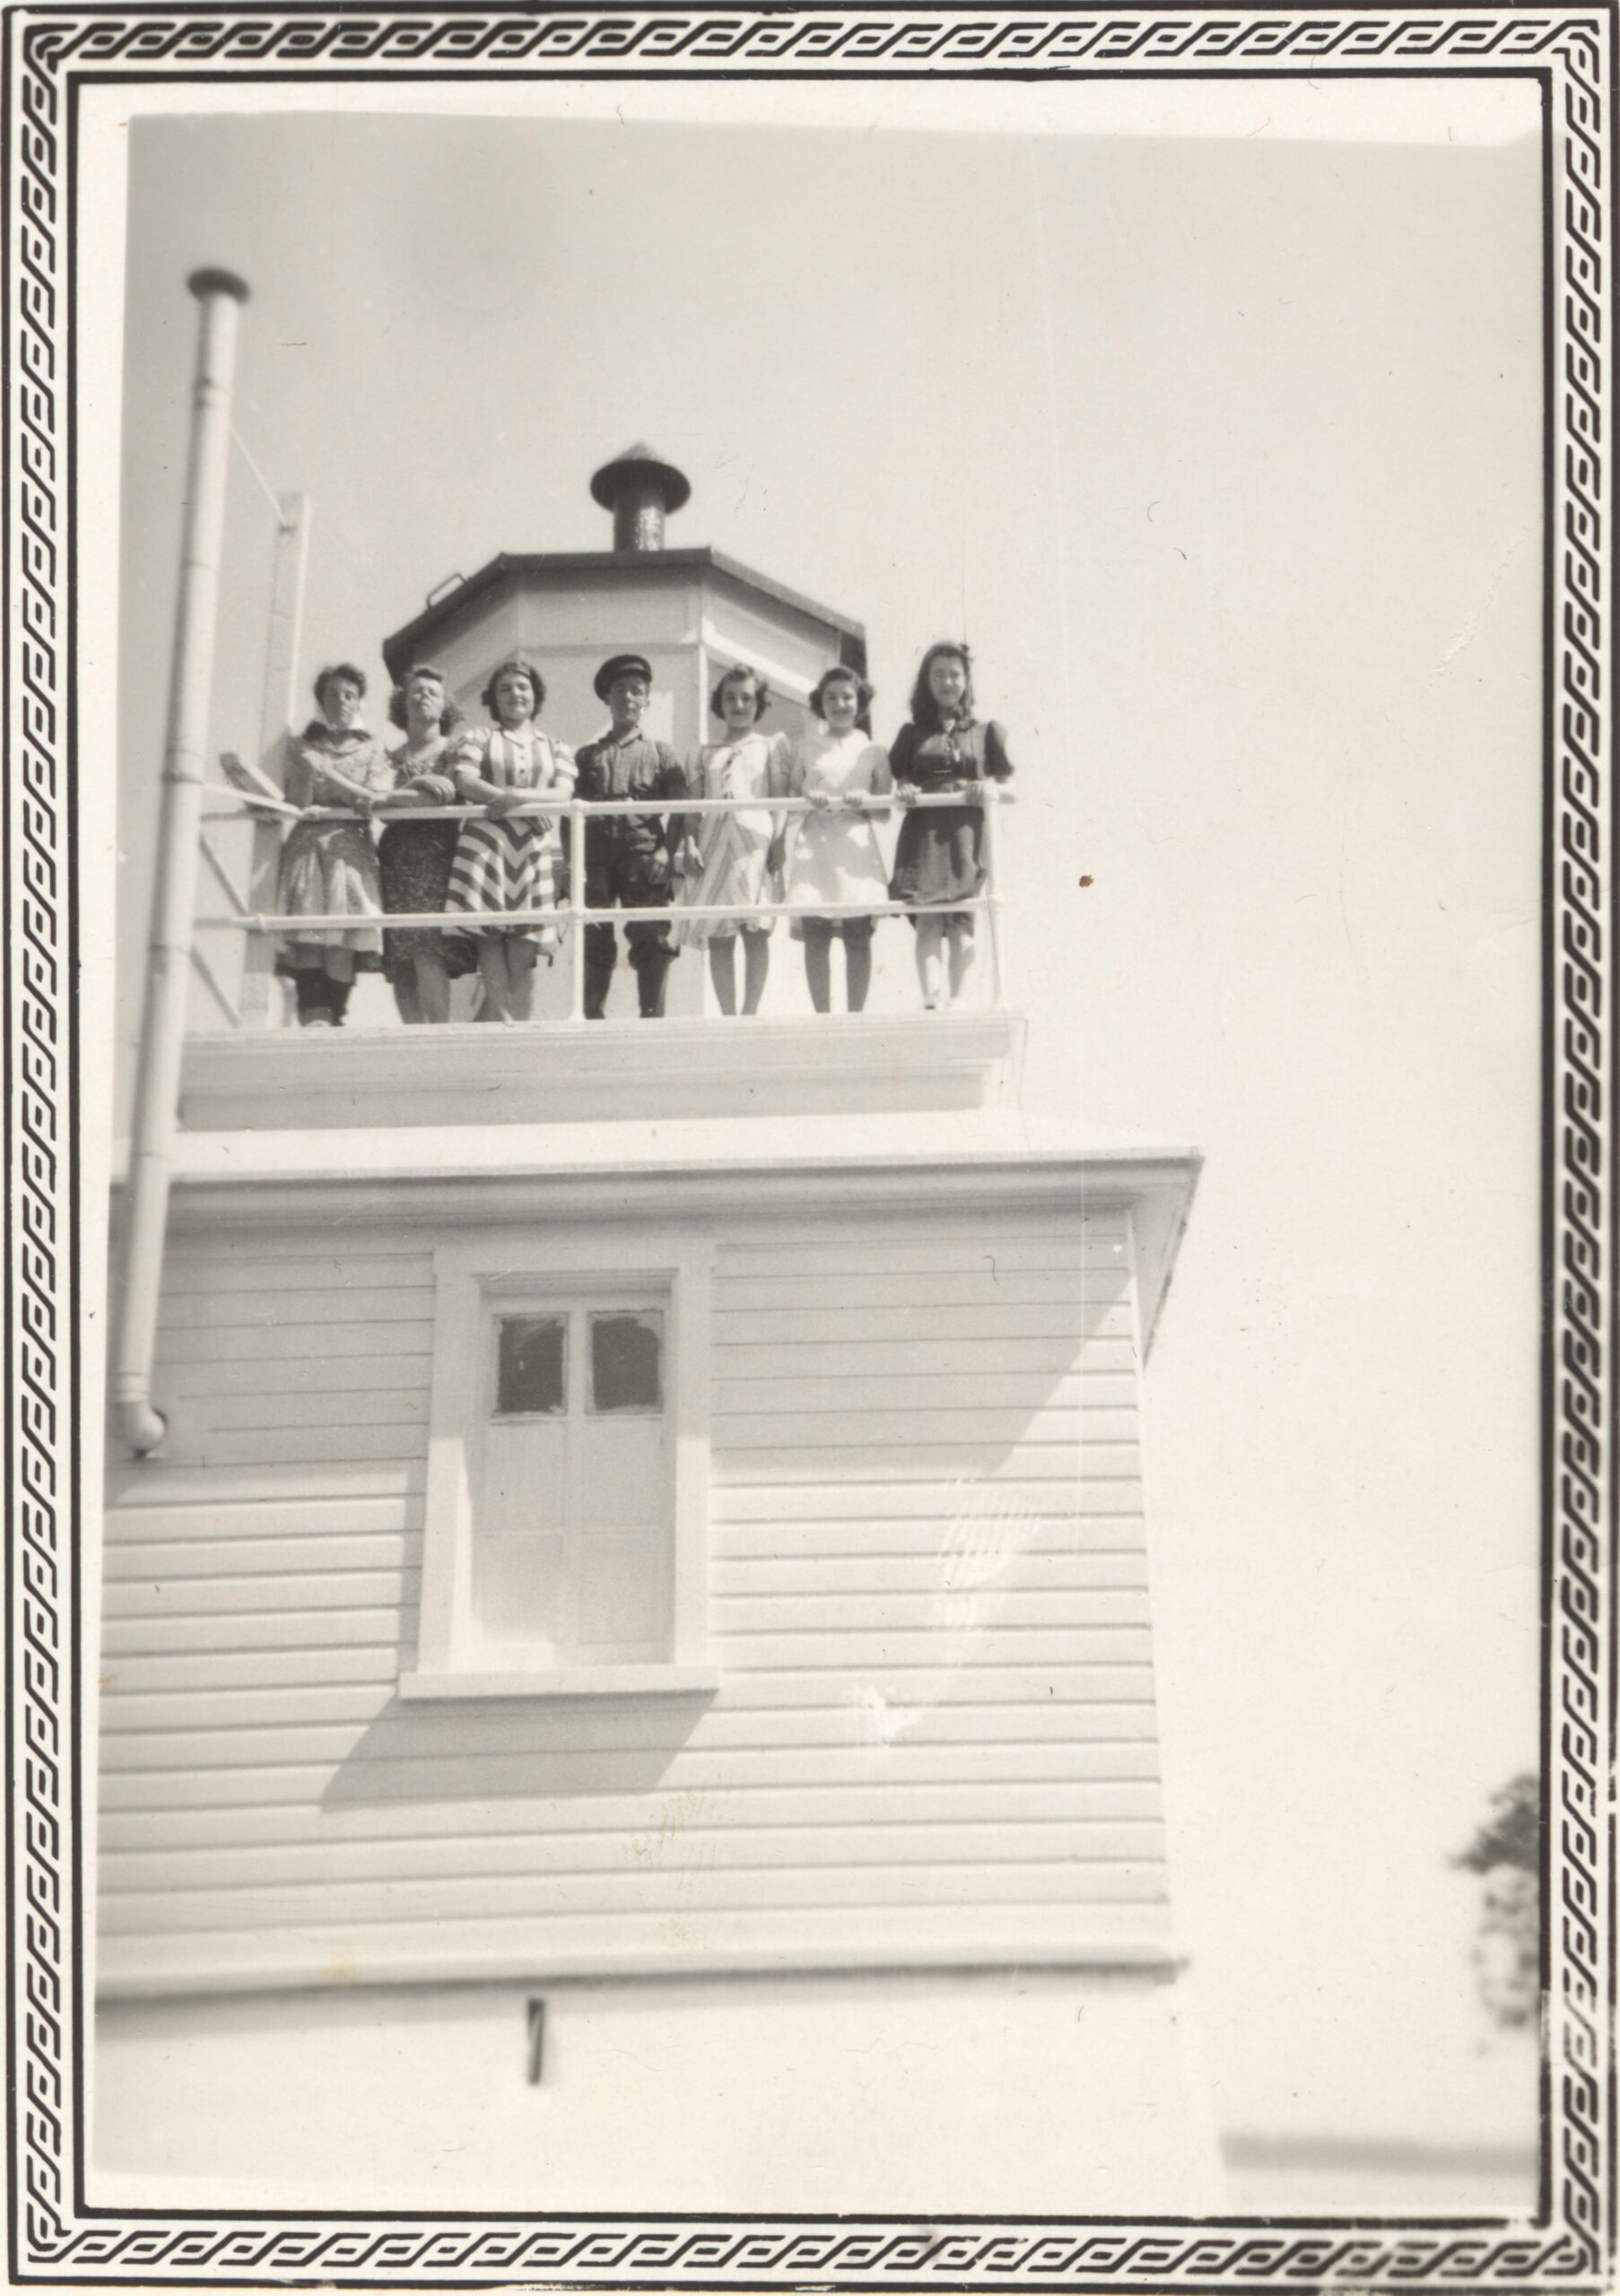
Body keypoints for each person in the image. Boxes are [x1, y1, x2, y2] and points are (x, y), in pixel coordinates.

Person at [444, 656, 575, 1024]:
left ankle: (487, 1021)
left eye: (522, 686)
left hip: (533, 848)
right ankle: (501, 1021)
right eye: (505, 688)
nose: (514, 694)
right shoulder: (480, 737)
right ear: (494, 699)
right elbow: (465, 780)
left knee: (525, 937)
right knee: (489, 934)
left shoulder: (555, 746)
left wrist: (519, 798)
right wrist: (508, 799)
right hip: (486, 844)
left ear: (535, 695)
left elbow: (563, 792)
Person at [888, 640, 1014, 1008]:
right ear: (926, 681)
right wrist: (906, 787)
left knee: (961, 920)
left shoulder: (985, 732)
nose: (946, 682)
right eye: (938, 674)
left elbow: (1003, 783)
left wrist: (984, 784)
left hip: (965, 835)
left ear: (966, 680)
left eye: (954, 674)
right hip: (925, 834)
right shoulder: (912, 735)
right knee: (928, 918)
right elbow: (904, 776)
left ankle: (958, 999)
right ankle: (932, 998)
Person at [573, 654, 697, 1019]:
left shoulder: (661, 753)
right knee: (593, 933)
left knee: (651, 936)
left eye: (636, 691)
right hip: (595, 856)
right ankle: (591, 1016)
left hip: (644, 854)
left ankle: (651, 1016)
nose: (628, 698)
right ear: (607, 698)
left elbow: (681, 807)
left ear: (646, 701)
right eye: (619, 690)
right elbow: (571, 816)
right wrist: (573, 864)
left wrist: (665, 853)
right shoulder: (587, 755)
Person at [274, 663, 395, 1028]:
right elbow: (296, 802)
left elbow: (373, 799)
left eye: (349, 695)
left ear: (359, 702)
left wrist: (329, 773)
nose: (341, 701)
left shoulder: (373, 749)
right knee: (310, 931)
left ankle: (336, 1014)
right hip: (309, 849)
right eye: (332, 695)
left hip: (349, 849)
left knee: (342, 935)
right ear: (321, 701)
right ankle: (315, 1013)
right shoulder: (303, 745)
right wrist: (309, 774)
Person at [773, 665, 891, 1013]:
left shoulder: (874, 751)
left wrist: (865, 802)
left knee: (857, 933)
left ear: (860, 702)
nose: (839, 704)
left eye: (847, 697)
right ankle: (822, 1015)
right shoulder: (805, 748)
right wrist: (808, 801)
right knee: (816, 931)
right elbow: (790, 804)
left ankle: (856, 1015)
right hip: (816, 846)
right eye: (831, 697)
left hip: (855, 845)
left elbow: (885, 813)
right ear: (820, 704)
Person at [675, 663, 789, 1016]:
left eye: (747, 698)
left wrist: (780, 842)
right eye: (730, 698)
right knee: (719, 934)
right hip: (713, 841)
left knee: (755, 930)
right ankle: (727, 1015)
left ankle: (750, 1012)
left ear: (759, 704)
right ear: (719, 703)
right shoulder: (704, 752)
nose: (738, 705)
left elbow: (780, 799)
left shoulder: (770, 748)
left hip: (754, 842)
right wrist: (689, 843)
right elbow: (692, 805)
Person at [377, 663, 472, 1025]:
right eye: (415, 691)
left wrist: (397, 797)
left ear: (445, 704)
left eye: (432, 692)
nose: (423, 697)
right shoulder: (391, 756)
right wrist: (421, 785)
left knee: (428, 950)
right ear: (403, 702)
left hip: (437, 857)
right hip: (395, 858)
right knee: (400, 955)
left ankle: (439, 1033)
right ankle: (412, 1033)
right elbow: (380, 807)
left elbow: (444, 800)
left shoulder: (455, 750)